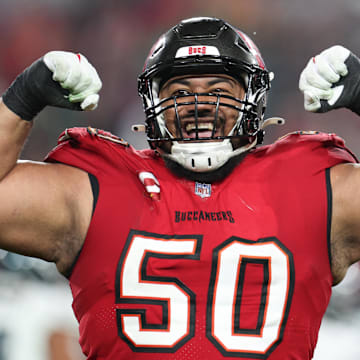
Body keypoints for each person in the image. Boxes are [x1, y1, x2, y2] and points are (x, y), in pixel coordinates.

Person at [0, 16, 360, 360]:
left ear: (254, 99)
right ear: (153, 102)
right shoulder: (96, 185)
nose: (199, 105)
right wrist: (23, 96)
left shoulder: (311, 184)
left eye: (219, 90)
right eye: (180, 92)